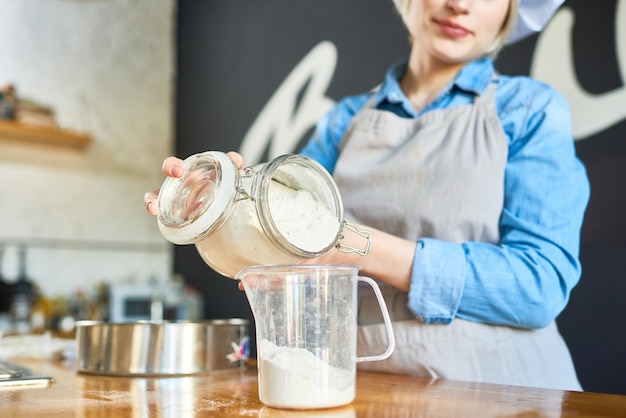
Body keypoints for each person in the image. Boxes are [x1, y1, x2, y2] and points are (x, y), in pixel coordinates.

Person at [145, 0, 589, 391]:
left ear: (511, 8)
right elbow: (282, 240)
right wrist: (224, 209)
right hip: (361, 387)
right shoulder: (343, 122)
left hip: (503, 392)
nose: (459, 3)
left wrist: (357, 248)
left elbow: (539, 285)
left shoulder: (530, 109)